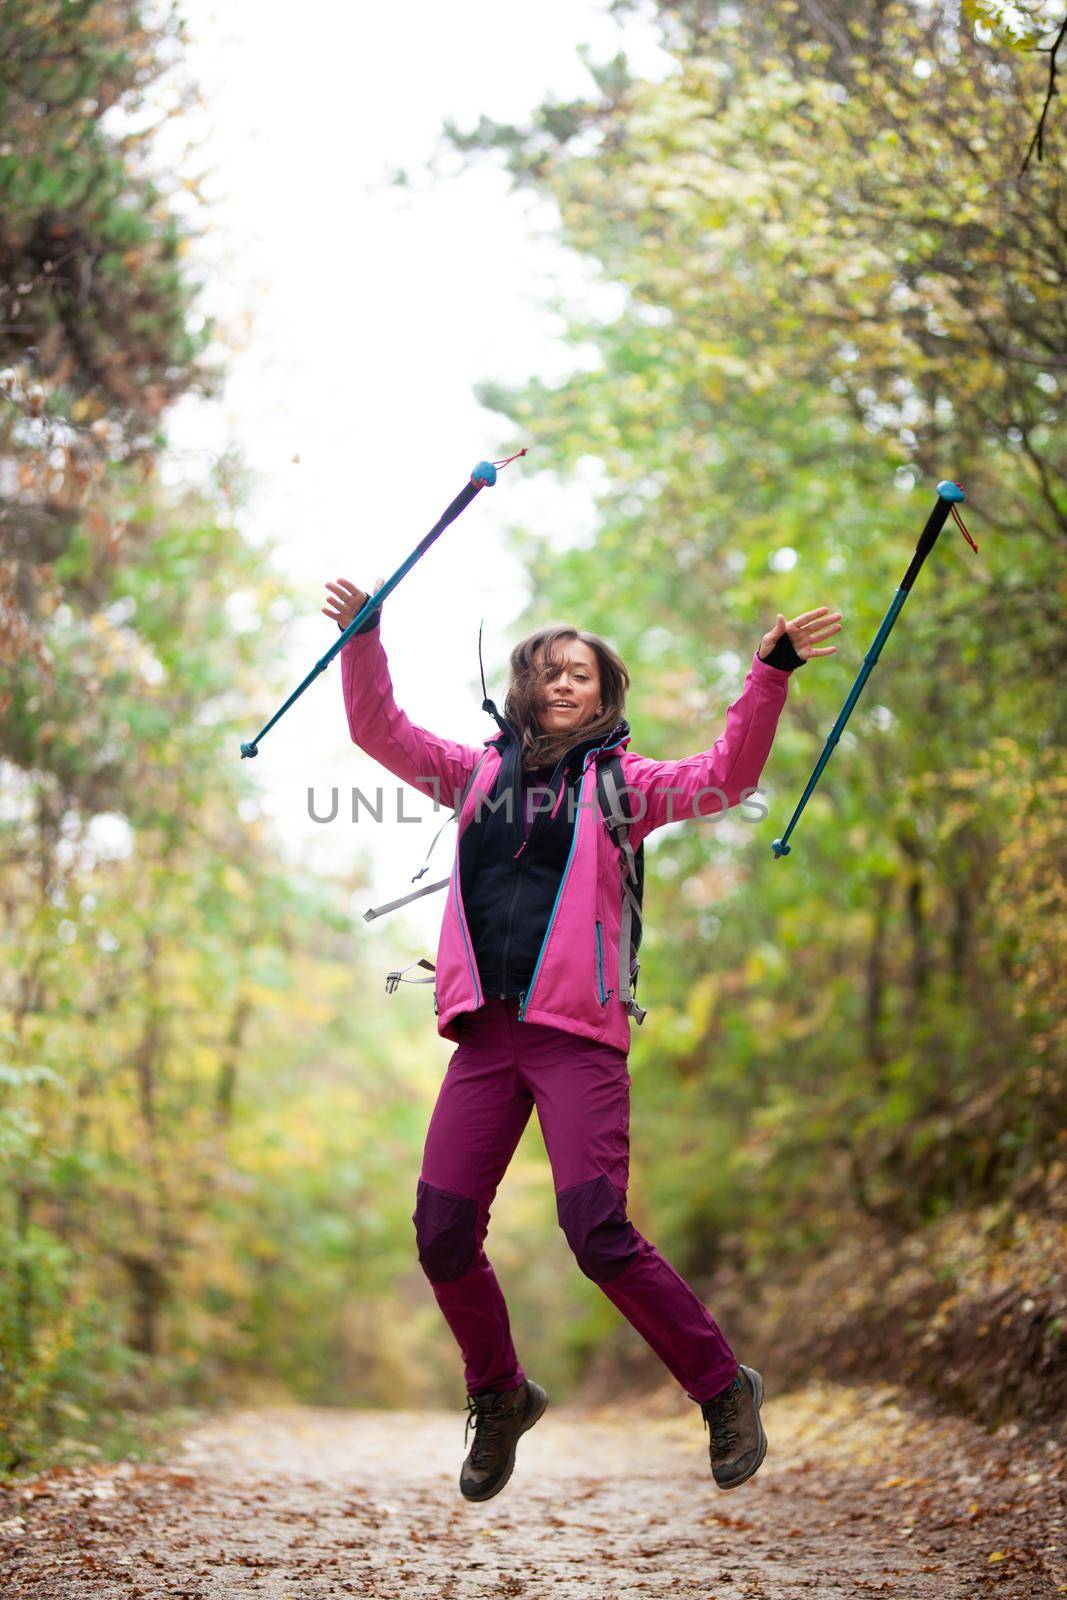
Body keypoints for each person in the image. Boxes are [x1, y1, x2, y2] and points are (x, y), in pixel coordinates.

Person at [323, 574, 842, 1501]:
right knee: (440, 1234)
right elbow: (379, 730)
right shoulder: (473, 775)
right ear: (526, 686)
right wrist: (364, 637)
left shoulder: (625, 787)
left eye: (584, 675)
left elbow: (726, 777)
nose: (566, 684)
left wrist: (769, 674)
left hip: (576, 1038)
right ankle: (500, 1394)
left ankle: (723, 1387)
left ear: (605, 696)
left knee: (596, 1233)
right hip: (486, 1038)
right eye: (551, 671)